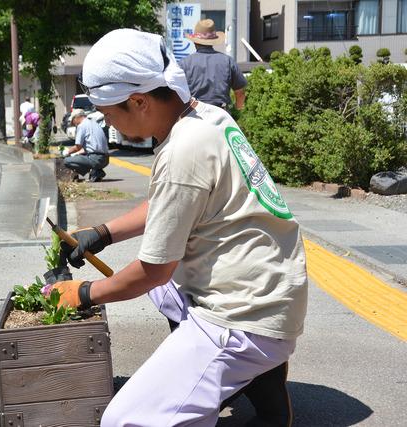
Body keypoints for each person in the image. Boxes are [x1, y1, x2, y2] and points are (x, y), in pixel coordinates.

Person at [47, 29, 307, 426]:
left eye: (110, 112)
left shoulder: (182, 151)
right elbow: (171, 203)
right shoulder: (206, 116)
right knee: (168, 294)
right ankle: (242, 380)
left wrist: (82, 293)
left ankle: (228, 376)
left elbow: (153, 270)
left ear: (138, 101)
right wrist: (103, 233)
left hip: (244, 314)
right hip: (271, 288)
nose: (109, 122)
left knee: (125, 420)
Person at [178, 19, 247, 111]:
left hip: (192, 114)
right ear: (214, 40)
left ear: (195, 41)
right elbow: (240, 93)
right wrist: (238, 111)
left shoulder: (183, 63)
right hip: (221, 113)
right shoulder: (228, 61)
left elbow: (176, 93)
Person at [62, 108, 109, 182]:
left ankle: (94, 171)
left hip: (95, 158)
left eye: (73, 121)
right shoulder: (94, 123)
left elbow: (78, 147)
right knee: (78, 157)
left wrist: (67, 152)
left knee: (67, 161)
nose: (73, 123)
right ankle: (97, 172)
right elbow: (90, 146)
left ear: (77, 117)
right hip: (105, 159)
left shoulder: (82, 125)